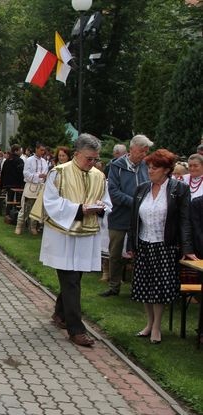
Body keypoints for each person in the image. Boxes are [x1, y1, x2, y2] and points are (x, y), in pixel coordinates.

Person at [40, 134, 112, 347]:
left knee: (75, 277)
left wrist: (101, 208)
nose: (92, 163)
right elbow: (50, 203)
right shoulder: (59, 173)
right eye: (89, 158)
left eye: (95, 159)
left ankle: (60, 314)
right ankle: (76, 330)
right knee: (70, 279)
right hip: (64, 234)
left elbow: (108, 202)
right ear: (77, 153)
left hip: (87, 235)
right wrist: (79, 209)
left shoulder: (99, 176)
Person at [127, 149, 197, 344]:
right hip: (144, 244)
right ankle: (149, 323)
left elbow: (185, 221)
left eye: (155, 168)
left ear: (166, 170)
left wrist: (187, 249)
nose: (150, 171)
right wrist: (131, 244)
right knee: (144, 287)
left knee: (160, 289)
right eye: (148, 167)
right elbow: (134, 220)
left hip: (165, 246)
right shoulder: (141, 189)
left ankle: (157, 326)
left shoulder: (178, 189)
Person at [100, 135, 152, 297]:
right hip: (120, 216)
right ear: (132, 149)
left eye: (146, 151)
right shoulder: (116, 166)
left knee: (139, 253)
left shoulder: (145, 166)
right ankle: (114, 286)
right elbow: (114, 192)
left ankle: (137, 287)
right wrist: (135, 202)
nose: (144, 154)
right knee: (115, 253)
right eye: (141, 151)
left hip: (141, 218)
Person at [15, 144, 48, 235]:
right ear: (36, 149)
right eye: (41, 150)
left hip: (40, 186)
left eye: (43, 150)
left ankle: (33, 226)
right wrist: (37, 176)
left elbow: (45, 172)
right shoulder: (29, 160)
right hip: (30, 186)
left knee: (36, 208)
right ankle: (19, 226)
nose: (43, 152)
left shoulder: (44, 161)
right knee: (25, 207)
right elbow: (26, 173)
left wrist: (43, 177)